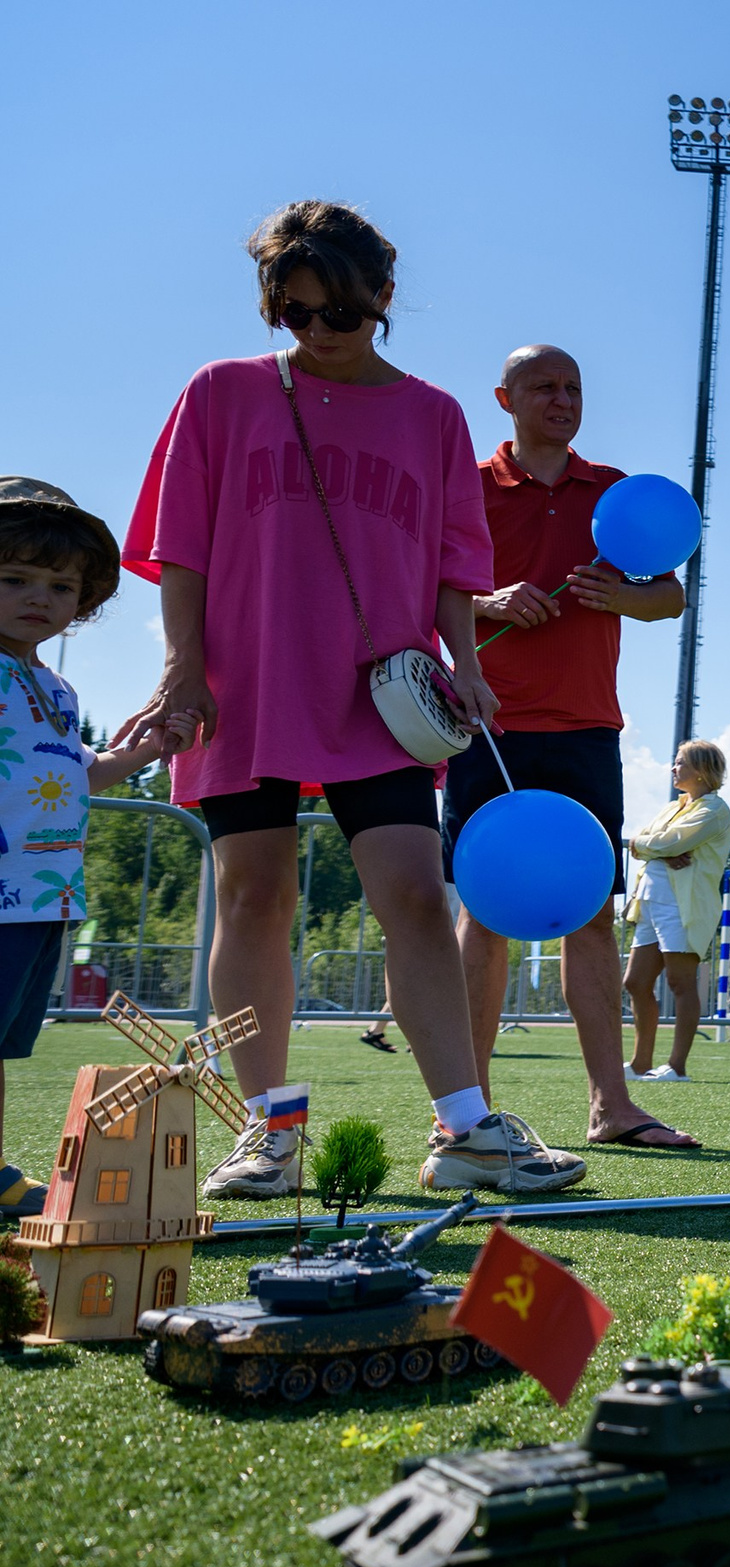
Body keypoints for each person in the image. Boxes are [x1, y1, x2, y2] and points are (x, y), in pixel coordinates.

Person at [118, 200, 584, 1198]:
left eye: (340, 311)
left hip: (386, 693)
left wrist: (465, 663)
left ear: (383, 294)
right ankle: (270, 1132)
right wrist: (182, 668)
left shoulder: (435, 415)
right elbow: (179, 542)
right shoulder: (221, 392)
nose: (319, 332)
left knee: (415, 895)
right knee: (254, 897)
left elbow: (457, 561)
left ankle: (466, 1127)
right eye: (294, 312)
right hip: (245, 680)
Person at [450, 343, 692, 1148]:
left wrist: (619, 594)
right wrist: (489, 603)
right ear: (505, 398)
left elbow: (670, 598)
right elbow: (420, 594)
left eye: (574, 388)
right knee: (482, 915)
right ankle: (469, 1114)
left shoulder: (612, 492)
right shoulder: (468, 488)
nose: (563, 400)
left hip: (588, 729)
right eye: (544, 387)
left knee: (590, 916)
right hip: (487, 726)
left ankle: (611, 1107)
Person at [0, 479, 194, 1219]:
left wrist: (145, 748)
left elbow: (79, 773)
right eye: (15, 578)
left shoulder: (55, 688)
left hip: (43, 896)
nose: (39, 598)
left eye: (60, 586)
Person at [622, 741, 730, 1085]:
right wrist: (657, 848)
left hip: (682, 906)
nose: (673, 768)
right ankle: (640, 1063)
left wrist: (652, 846)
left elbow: (666, 842)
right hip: (650, 901)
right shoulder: (673, 807)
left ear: (701, 770)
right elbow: (651, 840)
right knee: (635, 982)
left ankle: (676, 1067)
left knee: (680, 982)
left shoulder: (714, 809)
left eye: (680, 762)